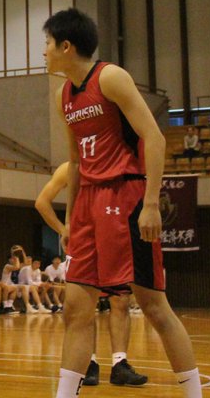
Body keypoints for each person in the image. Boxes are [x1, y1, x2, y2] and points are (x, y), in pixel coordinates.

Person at [45, 8, 201, 398]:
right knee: (75, 310)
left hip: (125, 196)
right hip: (88, 203)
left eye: (47, 44)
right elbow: (75, 162)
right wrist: (71, 218)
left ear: (66, 46)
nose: (43, 52)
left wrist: (151, 203)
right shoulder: (64, 95)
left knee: (154, 307)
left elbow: (155, 137)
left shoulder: (110, 78)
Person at [35, 160, 146, 385]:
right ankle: (88, 362)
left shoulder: (113, 164)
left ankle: (120, 363)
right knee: (85, 306)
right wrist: (63, 229)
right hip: (84, 243)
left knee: (120, 300)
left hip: (112, 238)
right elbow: (42, 202)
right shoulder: (70, 167)